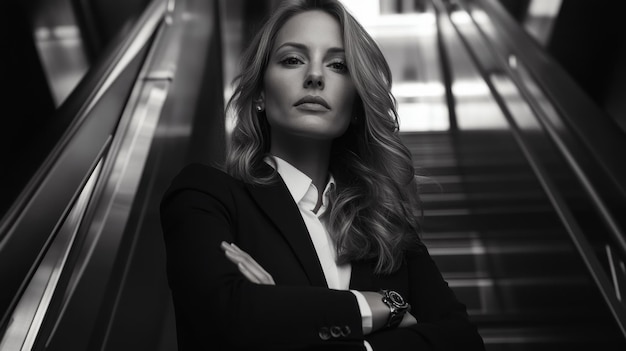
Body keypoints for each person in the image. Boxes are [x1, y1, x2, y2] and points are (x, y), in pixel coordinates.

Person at [160, 0, 485, 350]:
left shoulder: (387, 228)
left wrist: (289, 318)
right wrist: (375, 308)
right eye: (292, 60)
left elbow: (463, 341)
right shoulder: (206, 195)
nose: (315, 76)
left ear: (357, 103)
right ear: (258, 95)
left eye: (338, 65)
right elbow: (223, 318)